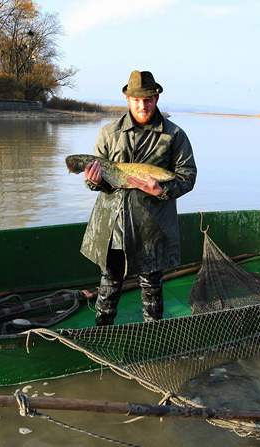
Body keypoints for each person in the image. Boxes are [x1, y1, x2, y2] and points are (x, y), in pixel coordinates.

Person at [80, 70, 197, 326]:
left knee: (152, 286)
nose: (142, 105)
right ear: (127, 99)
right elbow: (93, 183)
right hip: (114, 225)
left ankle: (152, 335)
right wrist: (93, 180)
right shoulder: (110, 133)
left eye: (148, 99)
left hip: (152, 227)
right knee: (109, 284)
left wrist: (162, 190)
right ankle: (101, 332)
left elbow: (188, 176)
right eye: (136, 100)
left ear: (156, 98)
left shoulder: (174, 135)